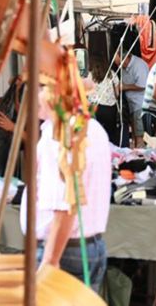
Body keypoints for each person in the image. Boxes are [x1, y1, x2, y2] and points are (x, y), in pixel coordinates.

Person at [22, 84, 113, 293]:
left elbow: (65, 206)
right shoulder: (91, 128)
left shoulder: (61, 134)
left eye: (40, 88)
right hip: (87, 245)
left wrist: (50, 260)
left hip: (64, 250)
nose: (32, 94)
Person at [113, 51, 149, 146]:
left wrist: (124, 87)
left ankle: (140, 152)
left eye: (120, 63)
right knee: (133, 131)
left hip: (139, 103)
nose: (120, 66)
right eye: (117, 65)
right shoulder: (124, 66)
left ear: (126, 58)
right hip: (131, 104)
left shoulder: (138, 66)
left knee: (139, 133)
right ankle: (135, 151)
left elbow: (142, 85)